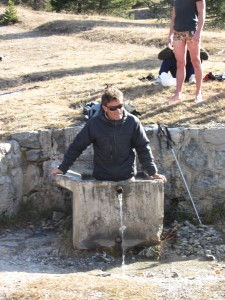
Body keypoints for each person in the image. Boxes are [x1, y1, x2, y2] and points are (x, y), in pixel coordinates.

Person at [51, 87, 167, 183]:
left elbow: (143, 147)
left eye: (120, 106)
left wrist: (152, 172)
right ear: (105, 108)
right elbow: (77, 146)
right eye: (113, 108)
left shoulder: (133, 122)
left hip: (127, 177)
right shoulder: (94, 124)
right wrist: (62, 168)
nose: (118, 111)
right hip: (102, 178)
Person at [167, 0, 206, 103]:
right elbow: (174, 16)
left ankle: (198, 93)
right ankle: (178, 93)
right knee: (180, 63)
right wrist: (170, 34)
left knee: (196, 62)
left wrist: (198, 34)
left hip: (192, 32)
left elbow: (202, 13)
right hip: (177, 33)